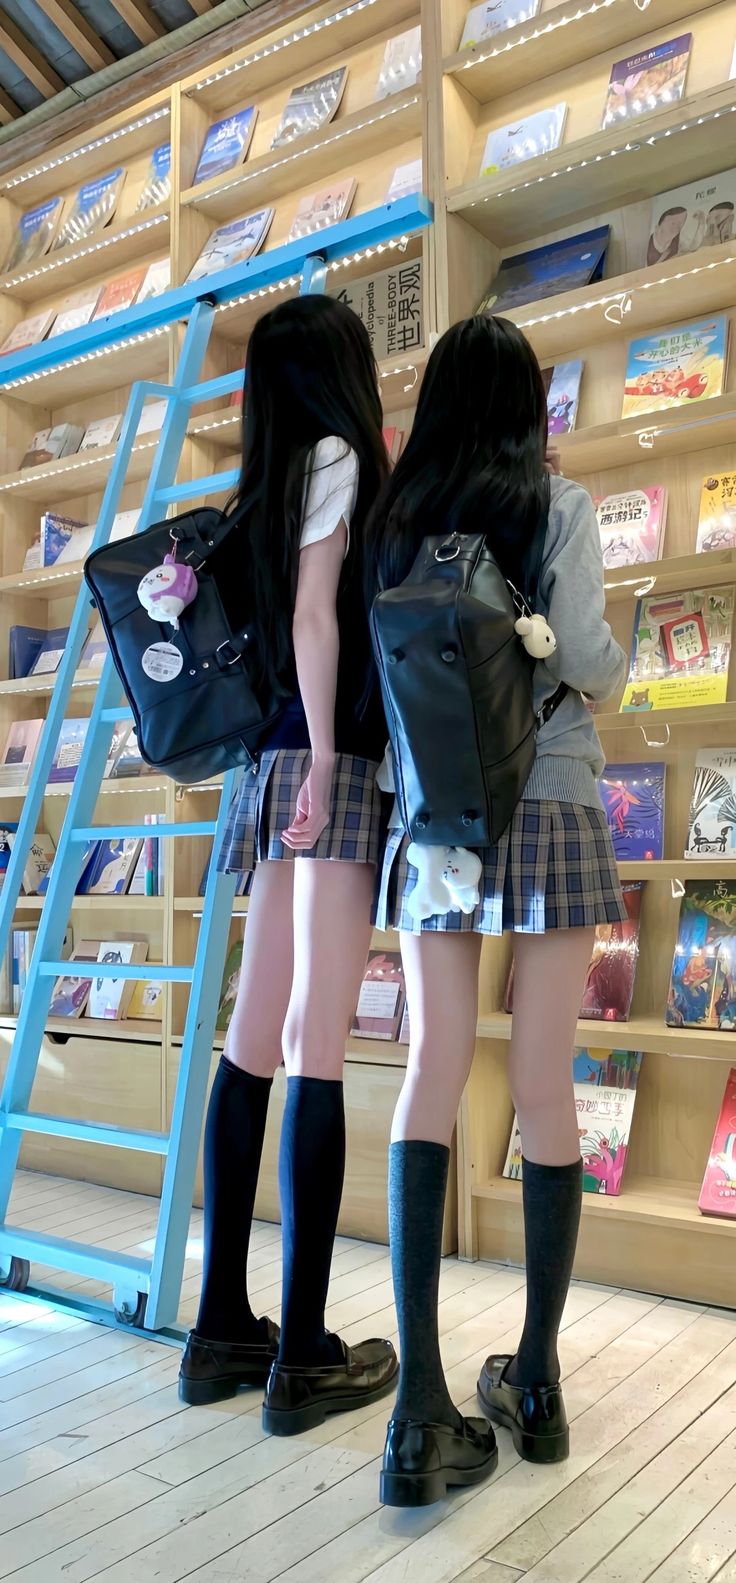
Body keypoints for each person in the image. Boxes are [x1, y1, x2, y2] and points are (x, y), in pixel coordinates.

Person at [368, 314, 627, 1507]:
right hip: (553, 794)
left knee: (430, 1066)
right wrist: (600, 658)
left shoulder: (397, 518)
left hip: (435, 809)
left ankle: (419, 1407)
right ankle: (535, 1378)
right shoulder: (556, 506)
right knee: (542, 1080)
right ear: (530, 406)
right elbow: (585, 655)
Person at [179, 294, 398, 1433]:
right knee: (313, 1041)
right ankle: (304, 1352)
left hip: (264, 769)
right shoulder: (335, 461)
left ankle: (221, 1327)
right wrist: (323, 753)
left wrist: (294, 755)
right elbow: (320, 619)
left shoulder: (257, 489)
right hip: (327, 763)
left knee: (250, 1036)